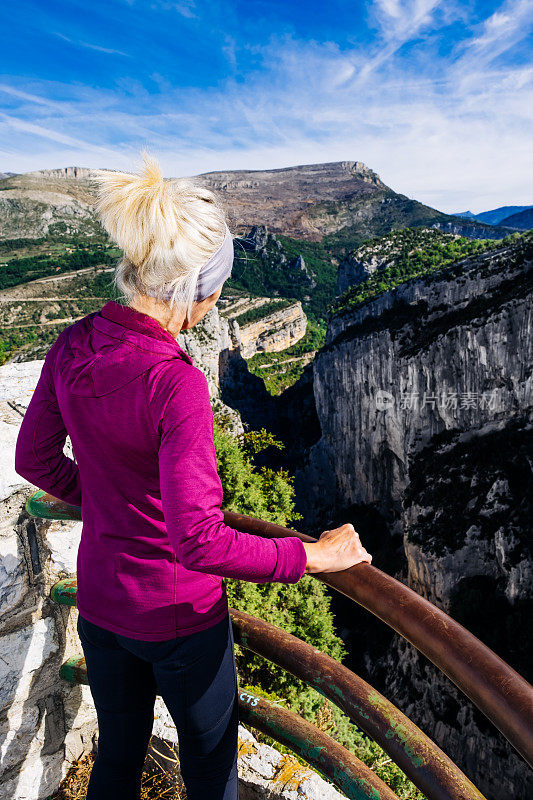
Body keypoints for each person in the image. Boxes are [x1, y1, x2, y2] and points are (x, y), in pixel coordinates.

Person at [14, 153, 372, 800]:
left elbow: (34, 462)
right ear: (200, 289)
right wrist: (313, 557)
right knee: (210, 771)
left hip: (100, 599)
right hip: (178, 615)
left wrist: (111, 505)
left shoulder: (74, 341)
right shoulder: (171, 381)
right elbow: (198, 542)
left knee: (118, 756)